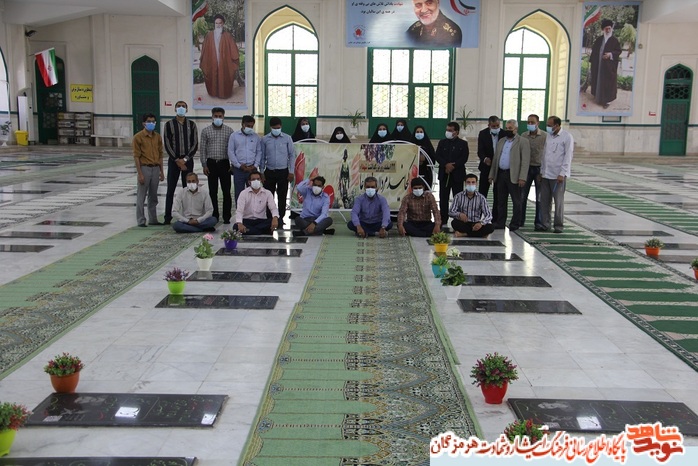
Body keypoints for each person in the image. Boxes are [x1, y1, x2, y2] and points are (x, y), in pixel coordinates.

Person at [488, 119, 530, 231]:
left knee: (516, 201)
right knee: (501, 201)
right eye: (506, 128)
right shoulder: (501, 141)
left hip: (514, 176)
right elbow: (496, 159)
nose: (508, 130)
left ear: (516, 129)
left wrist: (522, 177)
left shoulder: (523, 142)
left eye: (510, 128)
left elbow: (525, 161)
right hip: (501, 174)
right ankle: (500, 222)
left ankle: (515, 223)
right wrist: (492, 175)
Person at [163, 101, 198, 225]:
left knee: (188, 189)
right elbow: (167, 144)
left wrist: (185, 160)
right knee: (170, 190)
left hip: (187, 161)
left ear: (187, 109)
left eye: (183, 106)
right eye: (179, 106)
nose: (181, 108)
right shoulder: (169, 125)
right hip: (174, 161)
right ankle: (167, 217)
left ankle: (188, 216)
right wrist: (177, 160)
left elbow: (194, 144)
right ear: (175, 109)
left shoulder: (192, 125)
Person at [539, 116, 574, 233]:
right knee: (544, 201)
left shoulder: (567, 137)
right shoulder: (548, 136)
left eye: (550, 125)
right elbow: (544, 155)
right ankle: (545, 224)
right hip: (546, 174)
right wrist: (541, 171)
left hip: (558, 176)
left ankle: (558, 226)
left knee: (558, 202)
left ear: (557, 125)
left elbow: (568, 157)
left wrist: (562, 173)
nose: (547, 127)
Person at [200, 107, 234, 224]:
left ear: (223, 117)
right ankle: (214, 215)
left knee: (226, 191)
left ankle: (226, 216)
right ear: (212, 116)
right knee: (212, 191)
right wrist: (204, 165)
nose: (218, 118)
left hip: (225, 164)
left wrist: (232, 164)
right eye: (216, 116)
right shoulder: (206, 131)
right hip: (211, 164)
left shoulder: (229, 131)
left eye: (220, 116)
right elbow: (203, 149)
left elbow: (232, 149)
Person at [260, 117, 295, 224]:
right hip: (269, 171)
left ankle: (280, 218)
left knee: (282, 195)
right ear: (270, 127)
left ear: (281, 126)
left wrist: (291, 171)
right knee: (268, 196)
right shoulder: (265, 139)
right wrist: (261, 172)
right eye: (274, 128)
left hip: (283, 172)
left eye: (278, 128)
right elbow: (262, 157)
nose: (276, 130)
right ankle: (270, 218)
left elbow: (291, 155)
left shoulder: (287, 138)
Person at [434, 121, 468, 228]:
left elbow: (464, 158)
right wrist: (446, 165)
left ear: (456, 132)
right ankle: (443, 218)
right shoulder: (442, 142)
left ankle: (457, 219)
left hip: (457, 175)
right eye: (447, 130)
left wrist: (453, 166)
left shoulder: (463, 144)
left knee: (458, 198)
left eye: (450, 130)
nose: (447, 132)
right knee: (443, 197)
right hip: (444, 174)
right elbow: (437, 156)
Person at [133, 113, 164, 227]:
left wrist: (161, 171)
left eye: (153, 122)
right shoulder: (138, 137)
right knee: (141, 196)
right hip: (144, 168)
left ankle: (153, 219)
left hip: (155, 168)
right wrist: (140, 173)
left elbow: (160, 155)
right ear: (144, 123)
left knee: (153, 195)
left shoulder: (157, 137)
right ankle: (141, 220)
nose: (151, 123)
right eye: (149, 121)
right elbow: (136, 156)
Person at [199, 14, 240, 99]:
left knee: (223, 76)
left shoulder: (227, 36)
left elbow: (233, 50)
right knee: (213, 75)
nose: (218, 25)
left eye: (220, 23)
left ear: (223, 24)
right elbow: (204, 50)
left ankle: (223, 93)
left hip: (224, 62)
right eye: (216, 23)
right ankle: (213, 92)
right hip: (212, 60)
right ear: (214, 24)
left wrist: (233, 60)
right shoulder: (209, 35)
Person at [521, 114, 547, 227]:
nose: (530, 124)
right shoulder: (523, 136)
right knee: (522, 196)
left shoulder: (545, 136)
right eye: (528, 122)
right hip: (526, 169)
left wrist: (543, 171)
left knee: (539, 197)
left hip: (539, 169)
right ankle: (520, 220)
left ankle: (539, 222)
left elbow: (547, 155)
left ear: (538, 123)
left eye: (532, 122)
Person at [449, 173, 495, 238]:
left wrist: (481, 223)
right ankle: (479, 234)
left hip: (476, 223)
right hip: (464, 223)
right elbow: (451, 212)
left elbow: (489, 215)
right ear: (465, 183)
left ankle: (464, 234)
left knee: (491, 227)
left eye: (473, 182)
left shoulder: (481, 198)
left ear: (476, 184)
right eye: (468, 182)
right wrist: (459, 214)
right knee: (454, 223)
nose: (471, 184)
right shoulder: (458, 196)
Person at [228, 115, 262, 203]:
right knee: (239, 193)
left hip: (252, 169)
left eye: (251, 126)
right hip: (239, 170)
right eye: (247, 126)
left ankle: (253, 211)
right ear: (242, 124)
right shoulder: (234, 136)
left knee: (254, 192)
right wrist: (239, 165)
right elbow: (231, 152)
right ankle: (240, 211)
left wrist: (255, 165)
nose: (249, 128)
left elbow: (259, 152)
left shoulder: (256, 137)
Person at [589, 19, 622, 109]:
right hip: (598, 65)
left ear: (611, 29)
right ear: (603, 29)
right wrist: (592, 62)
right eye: (606, 29)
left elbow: (618, 51)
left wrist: (610, 54)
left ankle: (607, 101)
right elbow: (594, 51)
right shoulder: (599, 39)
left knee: (608, 83)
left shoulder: (614, 40)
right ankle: (598, 97)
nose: (608, 30)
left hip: (608, 67)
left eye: (609, 28)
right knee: (598, 80)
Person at [234, 170, 279, 235]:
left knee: (279, 221)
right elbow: (239, 210)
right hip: (247, 220)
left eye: (258, 179)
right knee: (236, 226)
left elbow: (273, 208)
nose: (256, 181)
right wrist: (240, 223)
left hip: (261, 220)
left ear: (261, 180)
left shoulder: (267, 193)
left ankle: (250, 231)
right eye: (253, 179)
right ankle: (261, 231)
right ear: (249, 182)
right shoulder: (243, 193)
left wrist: (275, 218)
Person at [476, 116, 500, 198]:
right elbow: (480, 151)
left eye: (497, 126)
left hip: (499, 168)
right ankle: (481, 206)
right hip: (486, 166)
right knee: (483, 192)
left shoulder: (503, 134)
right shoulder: (483, 134)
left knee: (498, 193)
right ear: (489, 125)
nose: (496, 128)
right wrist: (485, 159)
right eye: (493, 126)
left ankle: (496, 207)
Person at [411, 125, 435, 190]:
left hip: (425, 172)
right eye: (417, 132)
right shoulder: (410, 144)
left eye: (421, 132)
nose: (419, 133)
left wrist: (425, 159)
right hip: (412, 172)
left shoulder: (428, 145)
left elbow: (433, 158)